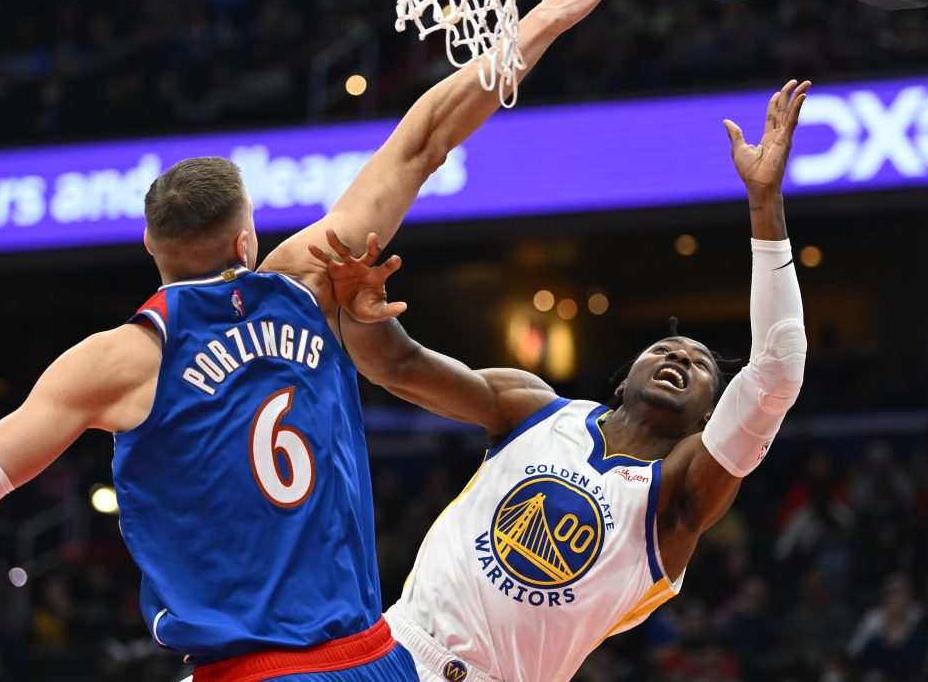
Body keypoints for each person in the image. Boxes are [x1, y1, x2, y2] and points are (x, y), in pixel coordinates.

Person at [0, 0, 649, 681]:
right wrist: (543, 19)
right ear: (246, 241)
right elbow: (422, 141)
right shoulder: (306, 281)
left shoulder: (117, 361)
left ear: (153, 252)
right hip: (372, 662)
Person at [311, 80, 810, 682]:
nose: (680, 359)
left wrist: (765, 204)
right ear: (622, 382)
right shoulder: (534, 408)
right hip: (386, 650)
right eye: (664, 349)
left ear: (710, 417)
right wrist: (360, 312)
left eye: (701, 365)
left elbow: (777, 369)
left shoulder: (679, 495)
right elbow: (399, 365)